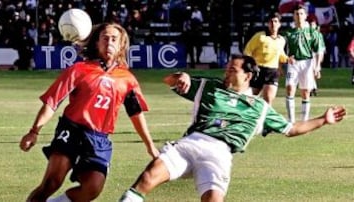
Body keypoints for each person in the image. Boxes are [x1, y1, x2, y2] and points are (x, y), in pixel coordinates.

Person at [118, 54, 346, 202]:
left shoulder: (259, 107)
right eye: (227, 68)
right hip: (190, 144)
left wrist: (323, 119)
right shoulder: (209, 86)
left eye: (232, 70)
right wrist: (181, 76)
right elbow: (169, 81)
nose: (226, 72)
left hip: (220, 154)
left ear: (247, 76)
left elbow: (292, 129)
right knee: (146, 179)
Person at [19, 22, 159, 202]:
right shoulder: (78, 70)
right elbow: (52, 102)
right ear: (96, 43)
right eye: (105, 38)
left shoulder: (128, 80)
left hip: (99, 139)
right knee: (51, 183)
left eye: (114, 39)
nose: (109, 42)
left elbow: (136, 114)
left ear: (121, 45)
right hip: (71, 130)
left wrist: (150, 146)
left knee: (93, 188)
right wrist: (34, 131)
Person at [282, 4, 325, 123]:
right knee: (290, 88)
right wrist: (285, 58)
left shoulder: (312, 32)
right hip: (293, 63)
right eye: (296, 14)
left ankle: (304, 121)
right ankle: (291, 121)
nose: (299, 16)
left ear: (305, 16)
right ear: (293, 16)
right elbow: (280, 49)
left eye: (301, 13)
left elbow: (319, 50)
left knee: (305, 92)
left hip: (307, 63)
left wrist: (317, 67)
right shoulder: (288, 33)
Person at [244, 12, 290, 105]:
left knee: (268, 100)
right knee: (250, 99)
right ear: (268, 24)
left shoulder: (281, 40)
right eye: (271, 21)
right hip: (258, 70)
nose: (273, 24)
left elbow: (281, 55)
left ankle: (265, 118)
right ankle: (250, 116)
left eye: (276, 21)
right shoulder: (260, 36)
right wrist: (251, 66)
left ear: (279, 24)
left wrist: (288, 59)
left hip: (272, 72)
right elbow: (247, 51)